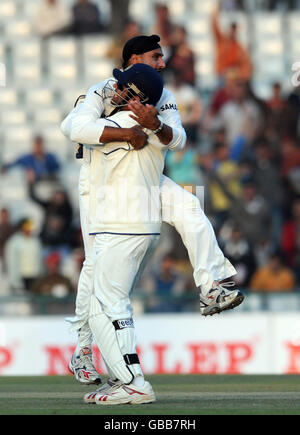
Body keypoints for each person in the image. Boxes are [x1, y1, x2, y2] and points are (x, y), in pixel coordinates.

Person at [61, 34, 243, 386]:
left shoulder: (162, 95)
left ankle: (210, 287)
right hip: (102, 188)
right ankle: (83, 348)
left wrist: (154, 122)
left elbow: (178, 139)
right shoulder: (101, 91)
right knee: (95, 266)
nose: (162, 62)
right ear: (133, 59)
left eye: (162, 57)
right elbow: (74, 128)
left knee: (191, 205)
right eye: (155, 56)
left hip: (146, 180)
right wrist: (128, 132)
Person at [81, 63, 172, 405]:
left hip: (122, 224)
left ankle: (135, 382)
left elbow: (72, 126)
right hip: (137, 225)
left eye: (122, 86)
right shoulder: (156, 128)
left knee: (112, 302)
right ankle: (122, 377)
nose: (115, 90)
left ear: (136, 96)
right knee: (98, 305)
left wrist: (92, 102)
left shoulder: (114, 123)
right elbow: (172, 137)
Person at [211, 3, 252, 82]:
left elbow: (246, 66)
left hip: (232, 79)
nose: (233, 32)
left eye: (234, 30)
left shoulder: (239, 47)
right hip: (221, 76)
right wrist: (217, 8)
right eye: (232, 29)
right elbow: (214, 24)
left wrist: (237, 73)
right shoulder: (221, 40)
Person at [4, 218, 43, 293]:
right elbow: (12, 261)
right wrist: (14, 279)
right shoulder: (14, 242)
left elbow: (39, 260)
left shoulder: (36, 241)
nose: (29, 230)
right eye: (26, 227)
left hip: (34, 275)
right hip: (21, 276)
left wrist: (39, 275)